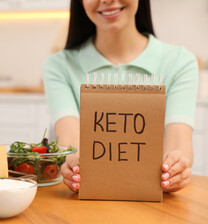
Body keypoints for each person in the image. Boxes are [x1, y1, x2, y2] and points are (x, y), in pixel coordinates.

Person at [43, 0, 198, 193]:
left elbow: (179, 143)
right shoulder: (60, 66)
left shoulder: (179, 62)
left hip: (154, 203)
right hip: (89, 203)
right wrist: (73, 163)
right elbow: (72, 142)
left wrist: (175, 168)